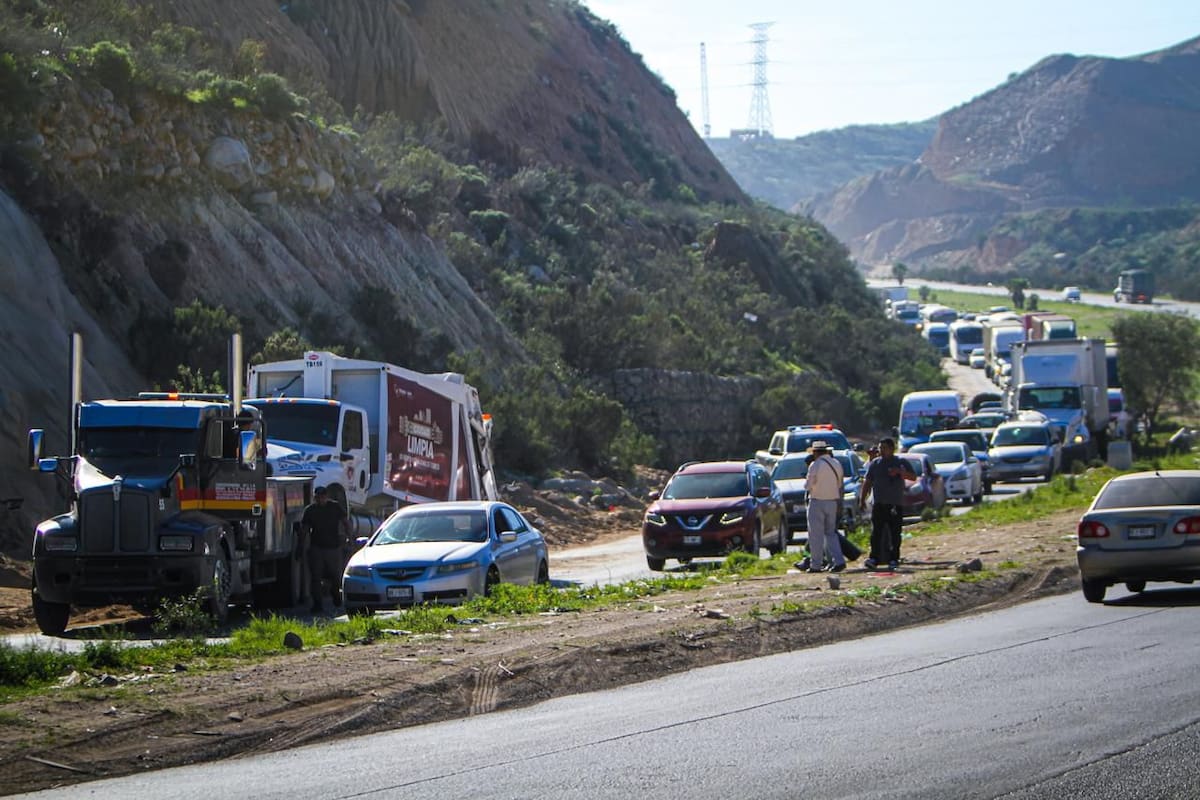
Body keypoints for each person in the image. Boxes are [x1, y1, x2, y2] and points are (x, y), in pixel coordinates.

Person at [859, 438, 913, 571]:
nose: (881, 451)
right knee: (876, 532)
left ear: (891, 449)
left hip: (895, 503)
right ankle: (874, 558)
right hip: (879, 503)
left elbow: (913, 477)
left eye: (884, 448)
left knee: (895, 533)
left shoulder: (900, 462)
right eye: (880, 448)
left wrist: (900, 472)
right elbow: (868, 482)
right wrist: (862, 499)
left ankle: (894, 558)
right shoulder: (875, 464)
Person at [302, 485, 350, 613]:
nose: (320, 499)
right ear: (315, 497)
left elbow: (345, 522)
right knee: (316, 577)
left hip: (333, 547)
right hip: (317, 547)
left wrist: (348, 538)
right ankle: (317, 604)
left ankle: (335, 593)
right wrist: (300, 546)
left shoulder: (335, 507)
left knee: (335, 576)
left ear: (326, 497)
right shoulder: (310, 510)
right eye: (317, 497)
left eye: (322, 497)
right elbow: (305, 529)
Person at [801, 441, 846, 573]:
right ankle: (839, 561)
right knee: (831, 533)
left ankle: (816, 564)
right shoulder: (836, 464)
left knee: (816, 535)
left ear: (815, 452)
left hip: (817, 501)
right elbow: (839, 484)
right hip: (832, 501)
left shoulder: (815, 465)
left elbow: (808, 486)